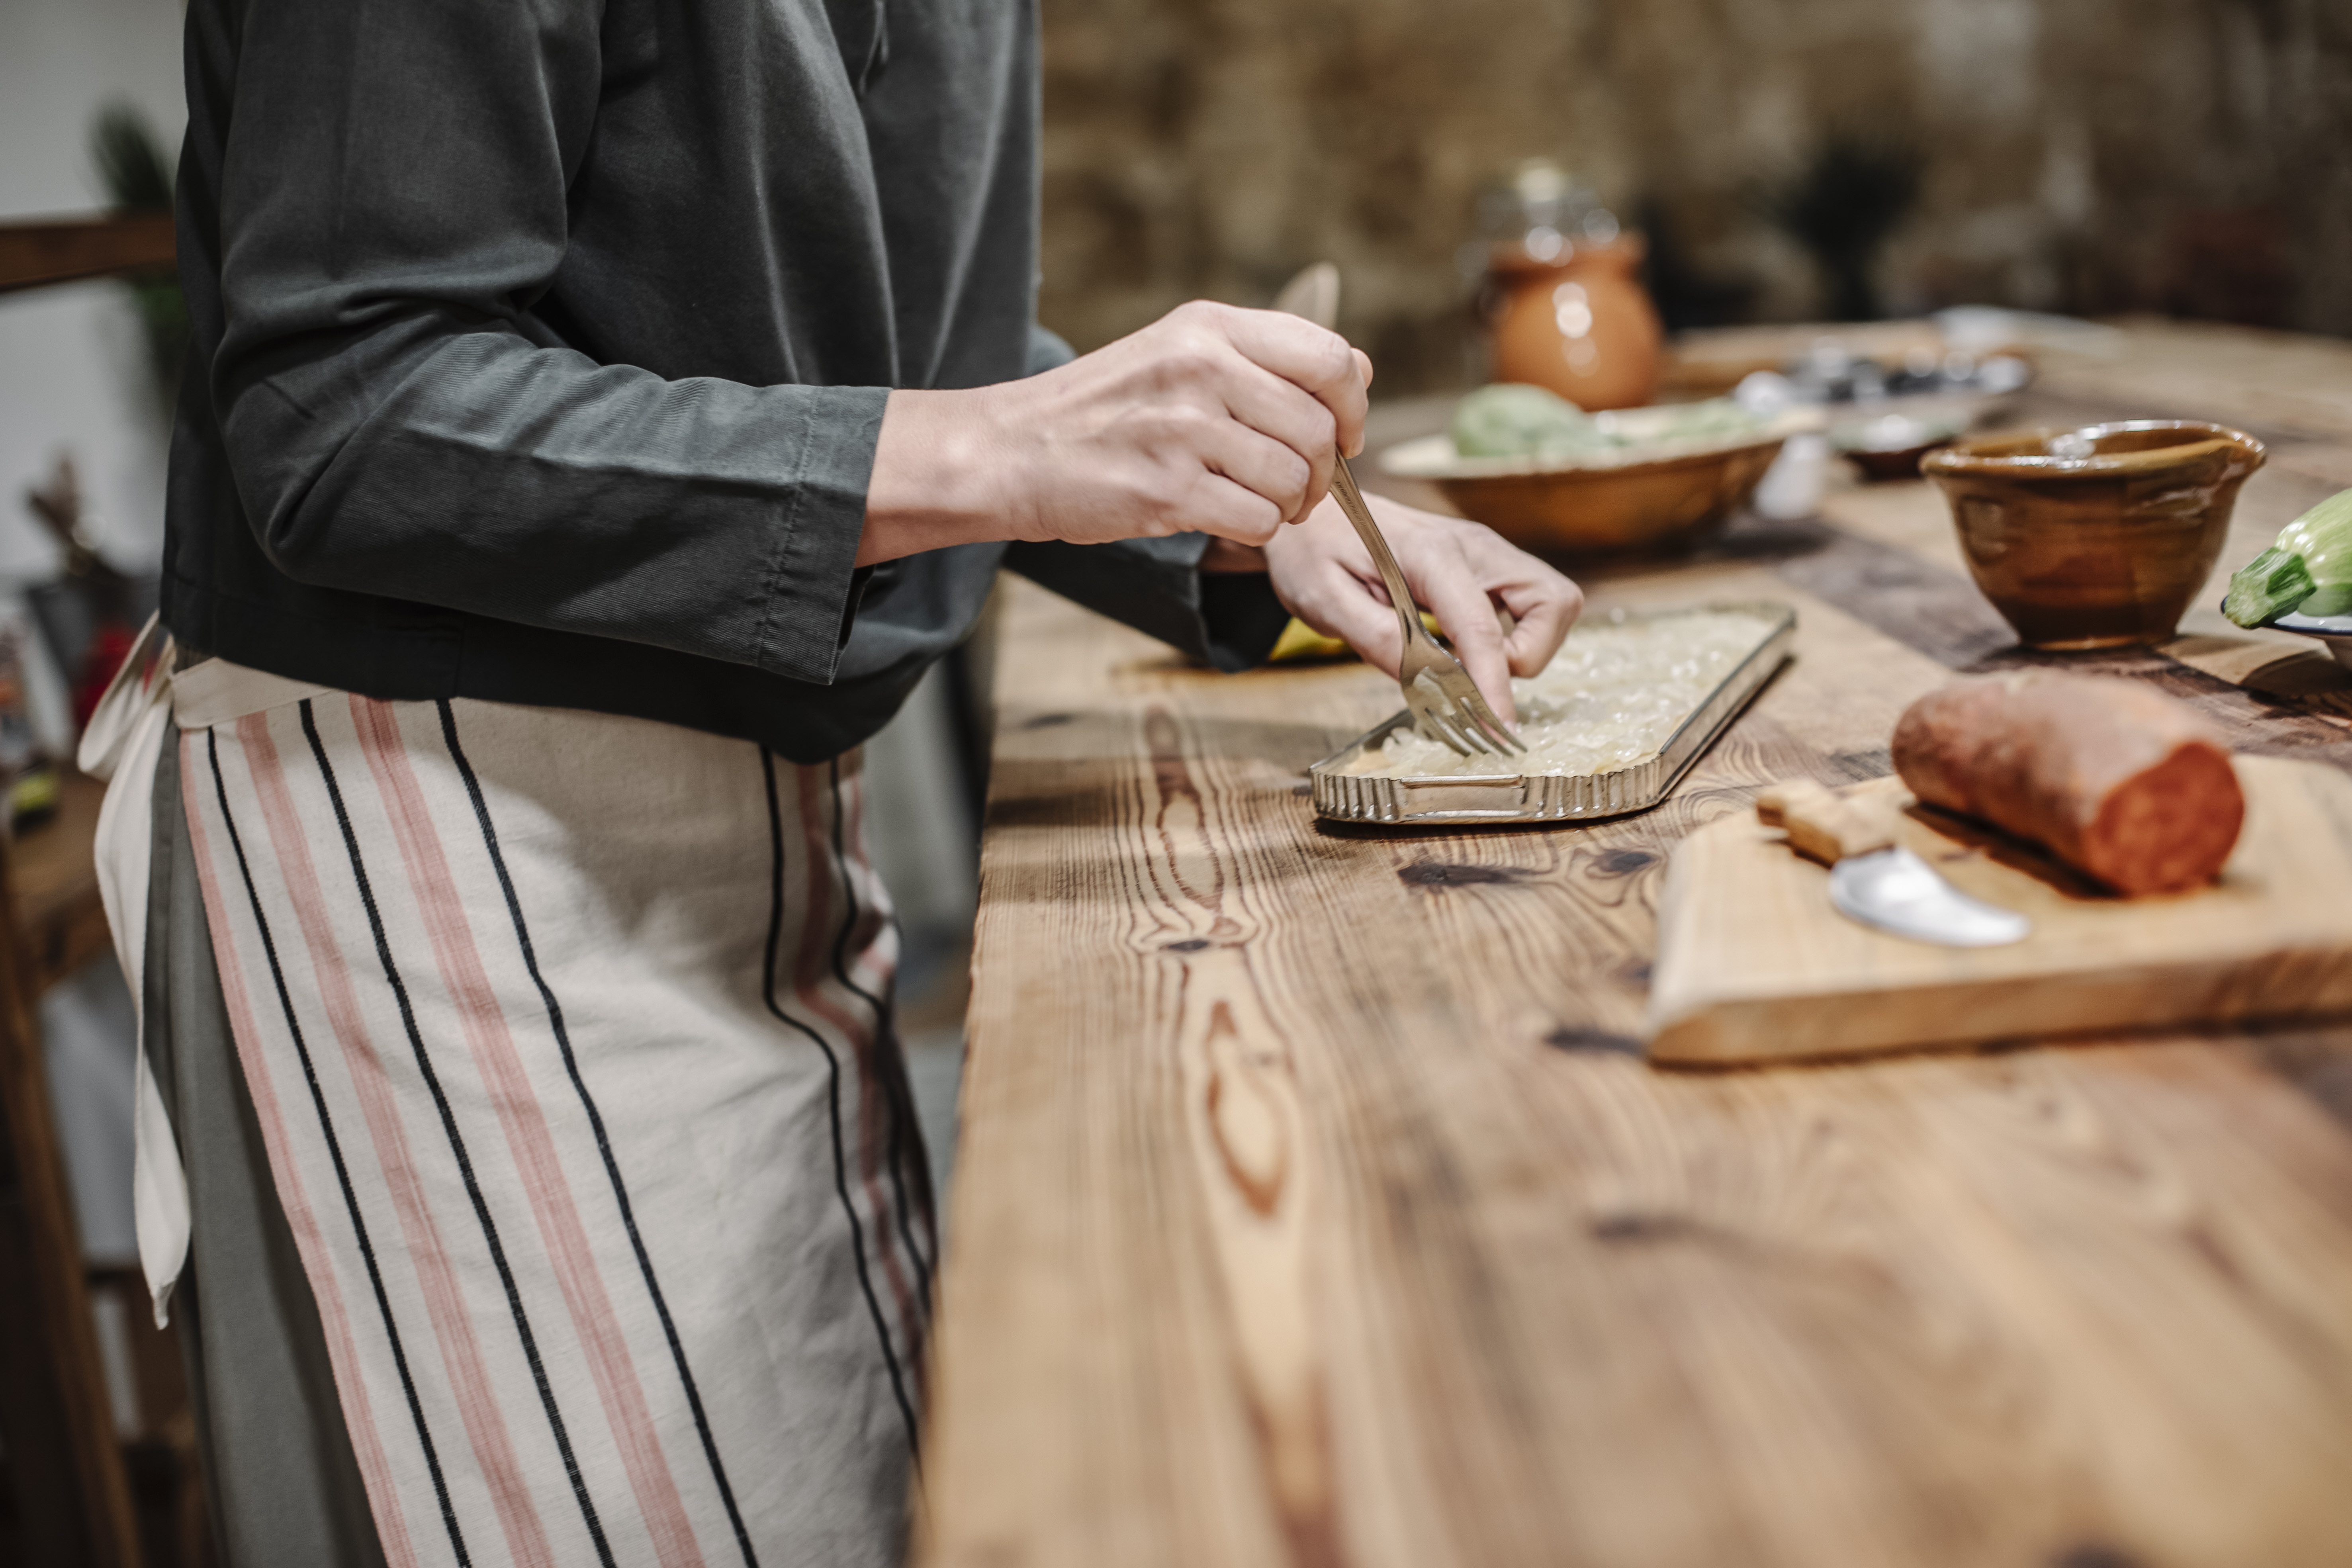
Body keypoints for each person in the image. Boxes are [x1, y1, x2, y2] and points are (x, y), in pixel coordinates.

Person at [96, 0, 1585, 1562]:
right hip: (453, 836)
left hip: (773, 824)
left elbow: (889, 349)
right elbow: (349, 412)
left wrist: (1228, 510)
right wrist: (1009, 447)